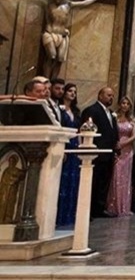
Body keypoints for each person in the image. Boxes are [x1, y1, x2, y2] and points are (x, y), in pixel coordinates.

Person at [26, 0, 110, 80]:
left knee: (60, 59)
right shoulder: (47, 3)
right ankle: (46, 79)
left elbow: (83, 3)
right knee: (51, 56)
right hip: (50, 33)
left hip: (62, 35)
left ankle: (53, 80)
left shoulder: (68, 4)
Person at [80, 86, 118, 219]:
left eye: (112, 95)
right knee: (94, 182)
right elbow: (87, 130)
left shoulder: (111, 113)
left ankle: (100, 207)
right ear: (100, 96)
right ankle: (89, 210)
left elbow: (113, 131)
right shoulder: (92, 110)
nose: (111, 98)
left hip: (108, 152)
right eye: (108, 95)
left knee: (104, 182)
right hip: (97, 152)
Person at [55, 82, 81, 227]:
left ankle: (69, 215)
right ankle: (59, 215)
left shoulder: (75, 111)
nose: (72, 94)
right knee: (62, 181)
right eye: (70, 91)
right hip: (64, 146)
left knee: (73, 180)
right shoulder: (59, 110)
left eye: (74, 92)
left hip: (75, 147)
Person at [106, 96, 135, 217]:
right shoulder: (114, 118)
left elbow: (134, 136)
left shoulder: (132, 120)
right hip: (117, 147)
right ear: (119, 104)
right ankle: (113, 205)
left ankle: (124, 206)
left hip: (127, 149)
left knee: (125, 177)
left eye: (127, 104)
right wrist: (116, 144)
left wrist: (124, 143)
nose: (125, 105)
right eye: (123, 103)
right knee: (116, 176)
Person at [0, 155, 24, 223]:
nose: (11, 162)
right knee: (2, 203)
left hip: (12, 191)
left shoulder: (16, 170)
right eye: (10, 161)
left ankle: (8, 218)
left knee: (10, 204)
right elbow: (3, 180)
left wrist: (14, 179)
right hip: (4, 190)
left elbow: (21, 175)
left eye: (12, 161)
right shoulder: (6, 170)